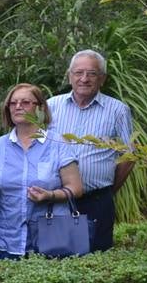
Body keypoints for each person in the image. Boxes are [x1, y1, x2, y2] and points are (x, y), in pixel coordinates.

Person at [0, 83, 83, 259]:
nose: (18, 107)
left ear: (40, 108)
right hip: (8, 238)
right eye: (13, 103)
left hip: (54, 234)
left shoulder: (57, 143)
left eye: (25, 102)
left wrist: (50, 195)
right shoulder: (0, 146)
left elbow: (76, 188)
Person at [46, 50, 135, 251]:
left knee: (96, 261)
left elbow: (130, 156)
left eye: (92, 74)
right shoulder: (52, 106)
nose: (84, 79)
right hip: (59, 201)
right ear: (70, 76)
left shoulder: (118, 110)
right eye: (78, 73)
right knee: (56, 259)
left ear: (102, 79)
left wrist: (108, 190)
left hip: (96, 202)